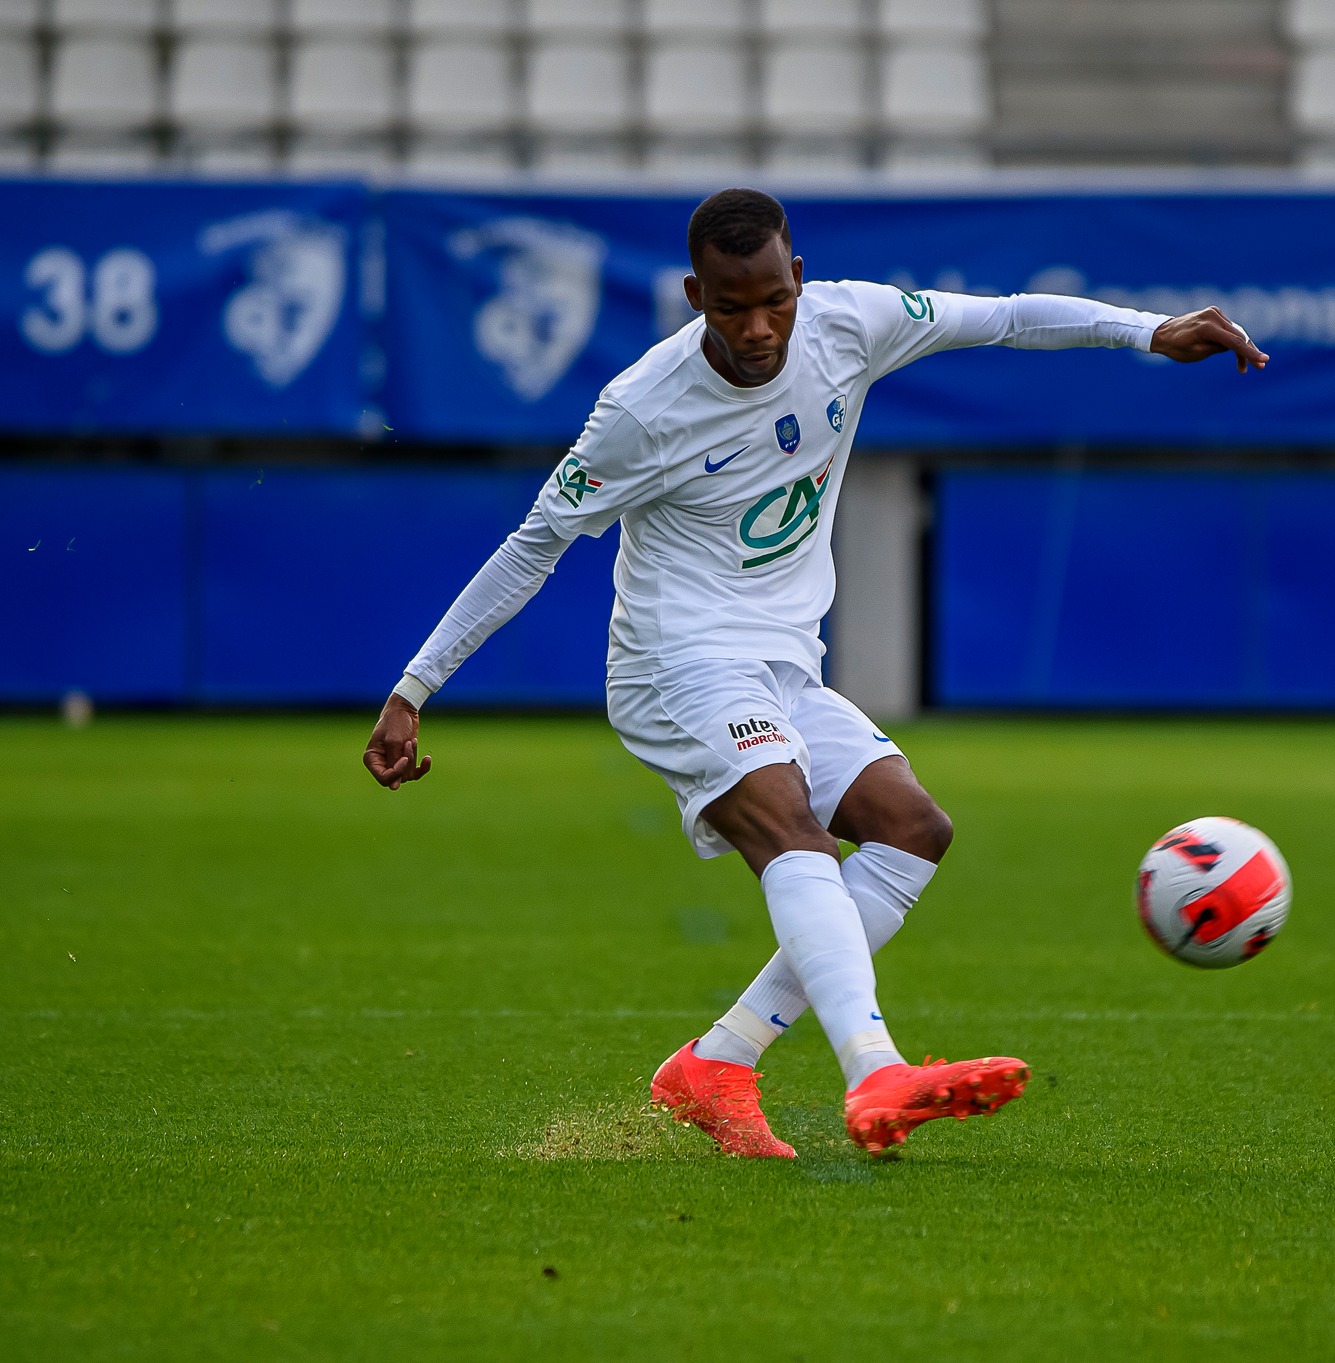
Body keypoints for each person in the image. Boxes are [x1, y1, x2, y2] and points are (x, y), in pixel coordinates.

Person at [361, 188, 1268, 1159]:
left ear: (797, 279)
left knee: (911, 830)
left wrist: (1148, 332)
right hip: (674, 665)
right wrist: (416, 685)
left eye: (771, 302)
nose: (756, 328)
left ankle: (718, 1060)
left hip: (781, 665)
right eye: (727, 307)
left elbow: (1002, 317)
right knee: (790, 827)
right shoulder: (639, 409)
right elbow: (531, 545)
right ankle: (874, 1070)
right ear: (692, 295)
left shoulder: (850, 321)